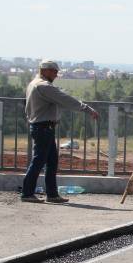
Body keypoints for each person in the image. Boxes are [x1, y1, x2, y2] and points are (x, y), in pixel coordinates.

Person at [20, 60, 99, 204]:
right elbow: (65, 99)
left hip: (42, 127)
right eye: (53, 71)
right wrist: (87, 109)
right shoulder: (44, 86)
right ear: (44, 70)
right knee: (39, 161)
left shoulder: (33, 84)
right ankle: (27, 193)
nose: (56, 75)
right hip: (43, 128)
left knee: (51, 162)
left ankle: (52, 194)